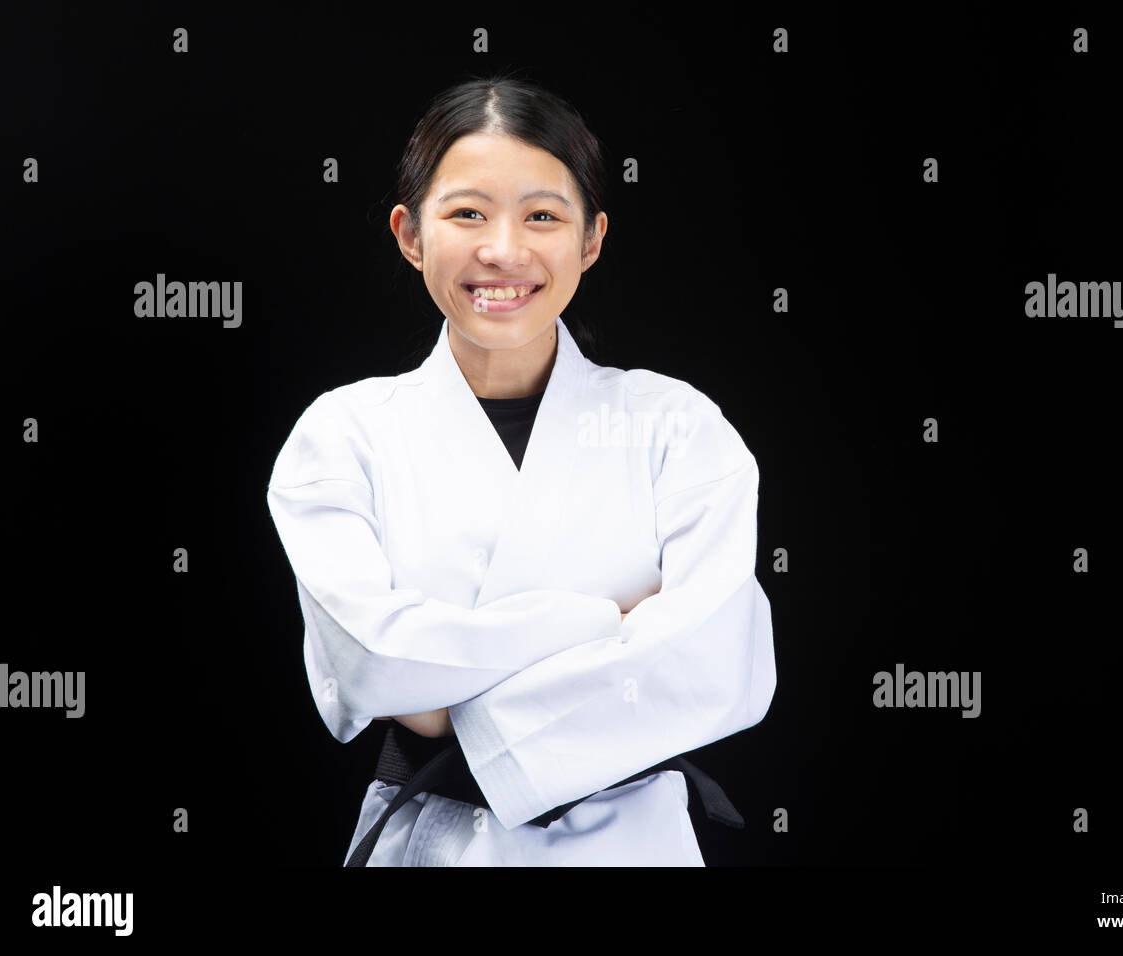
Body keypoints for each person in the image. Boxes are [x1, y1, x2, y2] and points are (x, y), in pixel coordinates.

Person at [266, 72, 776, 866]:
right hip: (430, 843)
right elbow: (375, 663)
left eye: (542, 215)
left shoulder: (675, 425)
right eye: (467, 213)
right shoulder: (343, 434)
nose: (503, 250)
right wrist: (607, 622)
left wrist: (452, 702)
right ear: (409, 234)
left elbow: (715, 662)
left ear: (592, 239)